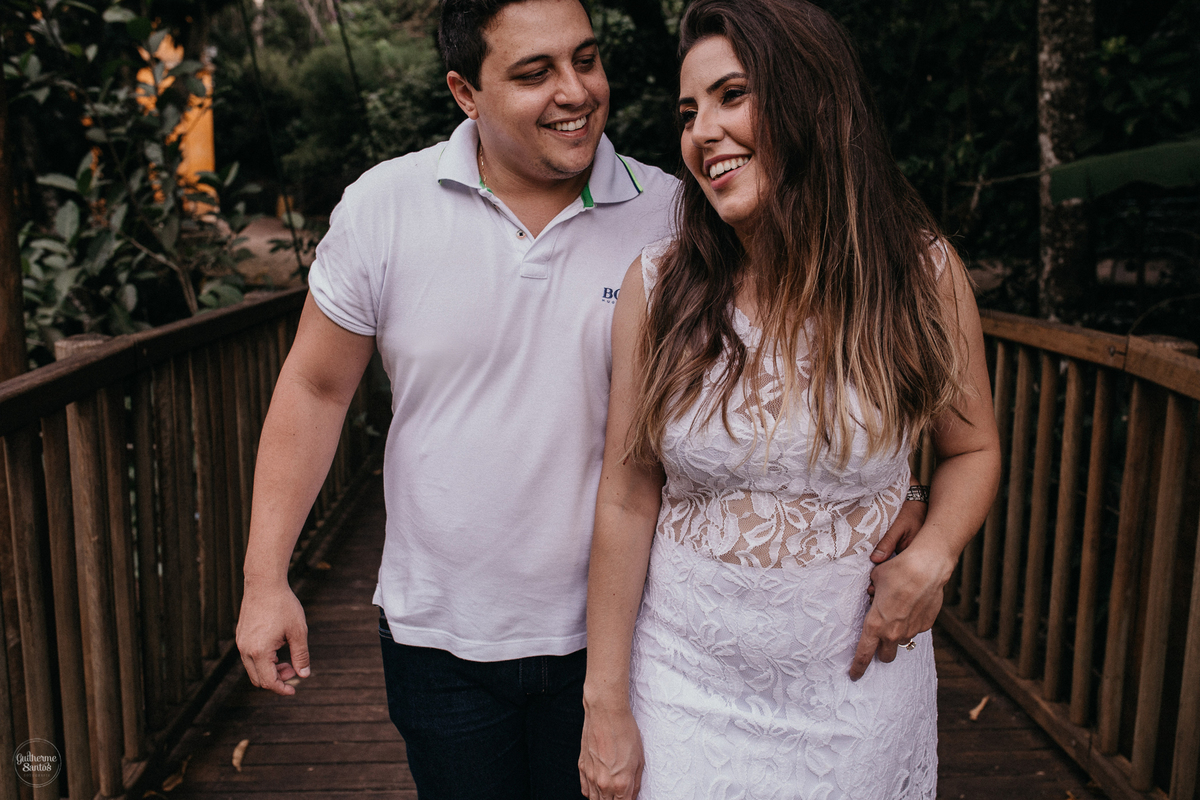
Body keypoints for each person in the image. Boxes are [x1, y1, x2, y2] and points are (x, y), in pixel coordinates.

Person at [233, 1, 682, 797]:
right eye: (535, 72)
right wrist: (266, 580)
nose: (576, 91)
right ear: (464, 92)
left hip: (627, 638)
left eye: (585, 59)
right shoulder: (384, 205)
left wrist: (904, 489)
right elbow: (316, 388)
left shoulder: (675, 216)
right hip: (439, 640)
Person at [578, 1, 1001, 798]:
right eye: (688, 110)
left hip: (857, 696)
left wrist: (936, 552)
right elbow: (629, 494)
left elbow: (971, 448)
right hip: (685, 690)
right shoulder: (659, 287)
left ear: (811, 100)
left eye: (732, 95)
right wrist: (606, 706)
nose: (702, 131)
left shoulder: (919, 276)